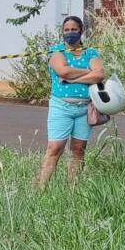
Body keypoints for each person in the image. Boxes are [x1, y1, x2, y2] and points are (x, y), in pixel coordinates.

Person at [38, 16, 106, 188]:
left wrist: (72, 79)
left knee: (78, 149)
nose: (70, 33)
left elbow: (99, 74)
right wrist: (86, 72)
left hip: (85, 109)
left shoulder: (91, 53)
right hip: (61, 107)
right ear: (62, 32)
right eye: (66, 30)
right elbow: (63, 71)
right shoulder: (57, 51)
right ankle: (39, 190)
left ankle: (72, 191)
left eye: (74, 29)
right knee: (55, 148)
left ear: (81, 30)